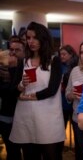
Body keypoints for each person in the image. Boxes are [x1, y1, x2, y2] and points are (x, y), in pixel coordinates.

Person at [9, 22, 65, 160]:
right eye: (28, 38)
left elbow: (52, 90)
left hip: (48, 117)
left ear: (43, 38)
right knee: (29, 155)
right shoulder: (23, 61)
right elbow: (13, 90)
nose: (31, 41)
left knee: (51, 155)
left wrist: (27, 96)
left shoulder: (54, 60)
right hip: (26, 116)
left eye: (35, 37)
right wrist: (21, 86)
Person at [0, 36, 24, 160]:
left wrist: (14, 69)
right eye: (11, 49)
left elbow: (16, 90)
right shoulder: (2, 67)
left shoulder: (26, 68)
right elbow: (7, 91)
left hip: (23, 114)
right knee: (12, 151)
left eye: (17, 50)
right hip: (6, 114)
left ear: (24, 52)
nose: (13, 53)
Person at [59, 44, 78, 128]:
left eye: (64, 54)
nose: (61, 56)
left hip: (74, 100)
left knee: (75, 126)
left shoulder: (76, 66)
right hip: (62, 100)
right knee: (61, 126)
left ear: (71, 54)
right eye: (60, 54)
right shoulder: (59, 66)